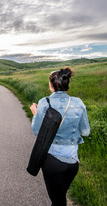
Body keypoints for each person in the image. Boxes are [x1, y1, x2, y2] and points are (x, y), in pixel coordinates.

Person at [30, 68, 90, 206]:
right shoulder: (78, 102)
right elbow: (86, 132)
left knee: (58, 201)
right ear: (67, 83)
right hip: (73, 162)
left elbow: (36, 130)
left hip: (52, 160)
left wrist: (35, 114)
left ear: (51, 85)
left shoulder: (44, 103)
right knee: (60, 196)